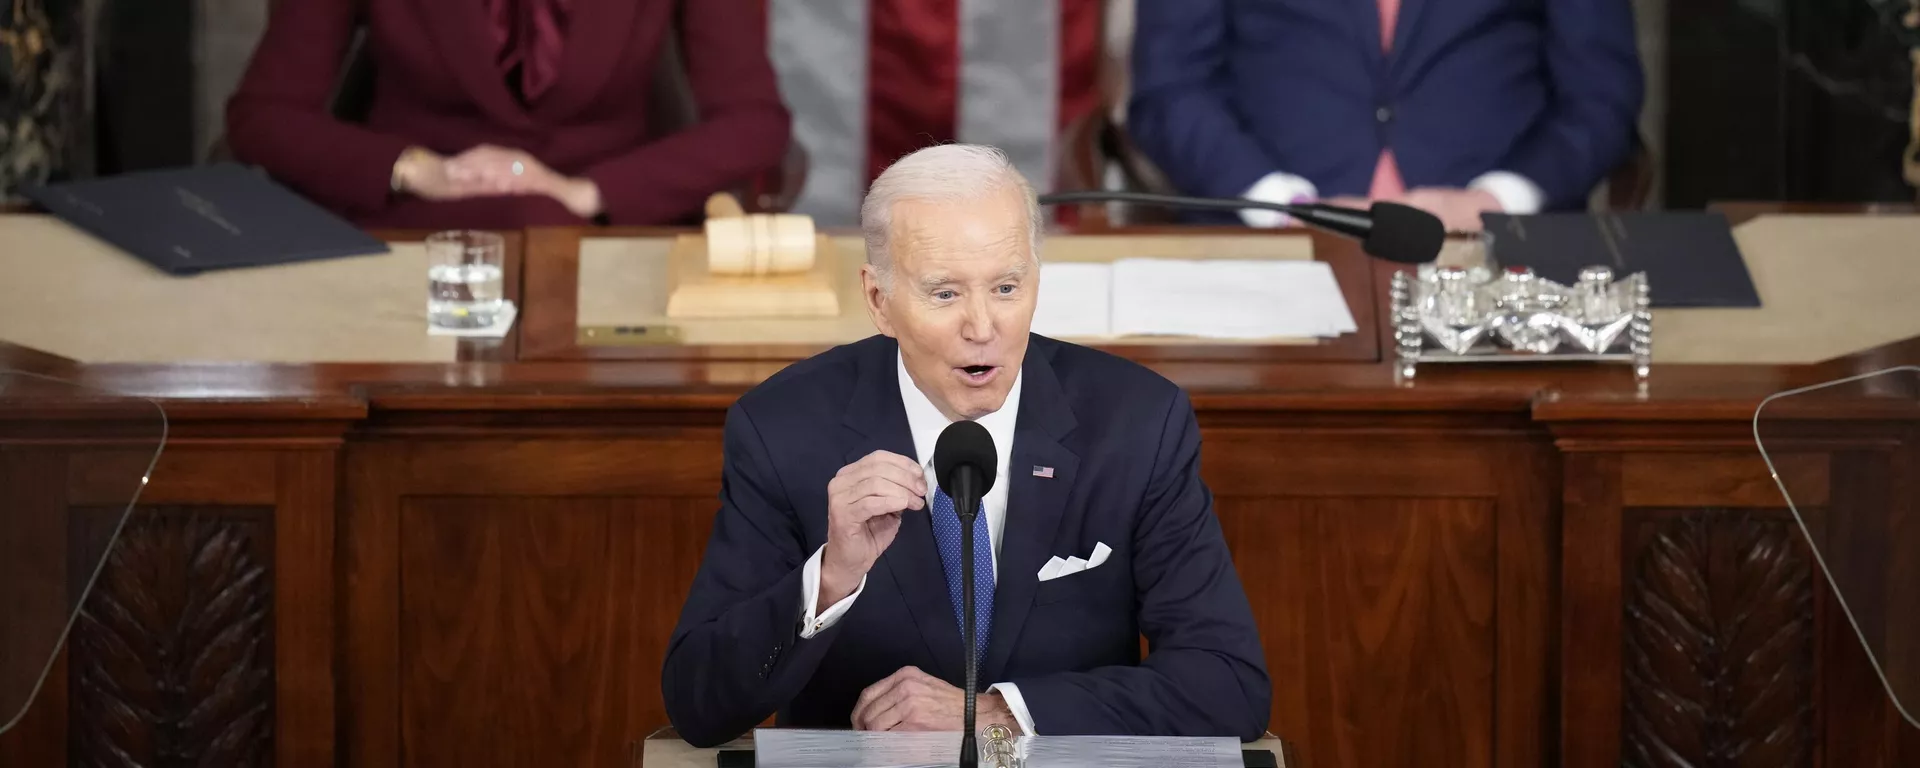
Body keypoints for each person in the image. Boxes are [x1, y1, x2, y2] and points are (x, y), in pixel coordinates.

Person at [660, 144, 1270, 747]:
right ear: (879, 301)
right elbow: (698, 703)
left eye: (1006, 288)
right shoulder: (783, 430)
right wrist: (830, 580)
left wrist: (997, 713)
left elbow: (1228, 686)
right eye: (945, 294)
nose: (983, 328)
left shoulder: (1137, 423)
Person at [223, 0, 790, 229]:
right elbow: (261, 116)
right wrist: (417, 169)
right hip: (409, 234)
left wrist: (583, 191)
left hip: (603, 243)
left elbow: (755, 124)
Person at [1128, 0, 1644, 232]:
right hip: (1267, 247)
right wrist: (1286, 207)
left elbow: (1601, 95)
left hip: (1494, 245)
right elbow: (1170, 89)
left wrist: (1497, 201)